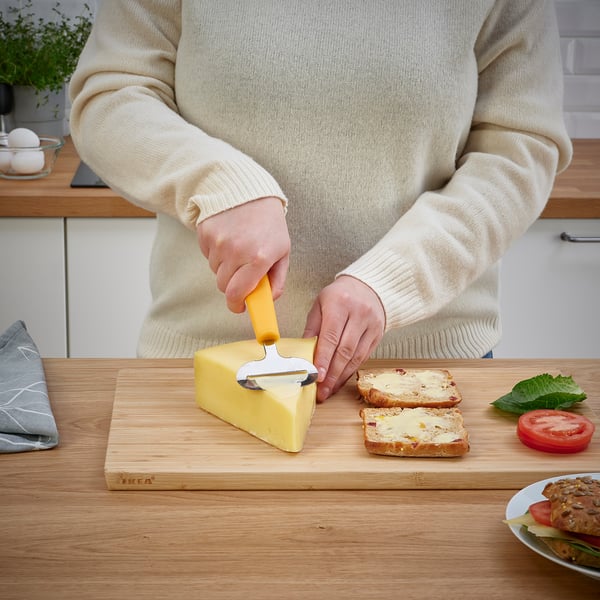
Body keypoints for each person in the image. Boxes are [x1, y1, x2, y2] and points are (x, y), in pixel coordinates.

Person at [69, 1, 571, 402]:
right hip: (203, 362)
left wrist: (391, 281)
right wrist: (221, 184)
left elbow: (518, 147)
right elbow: (112, 95)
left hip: (425, 368)